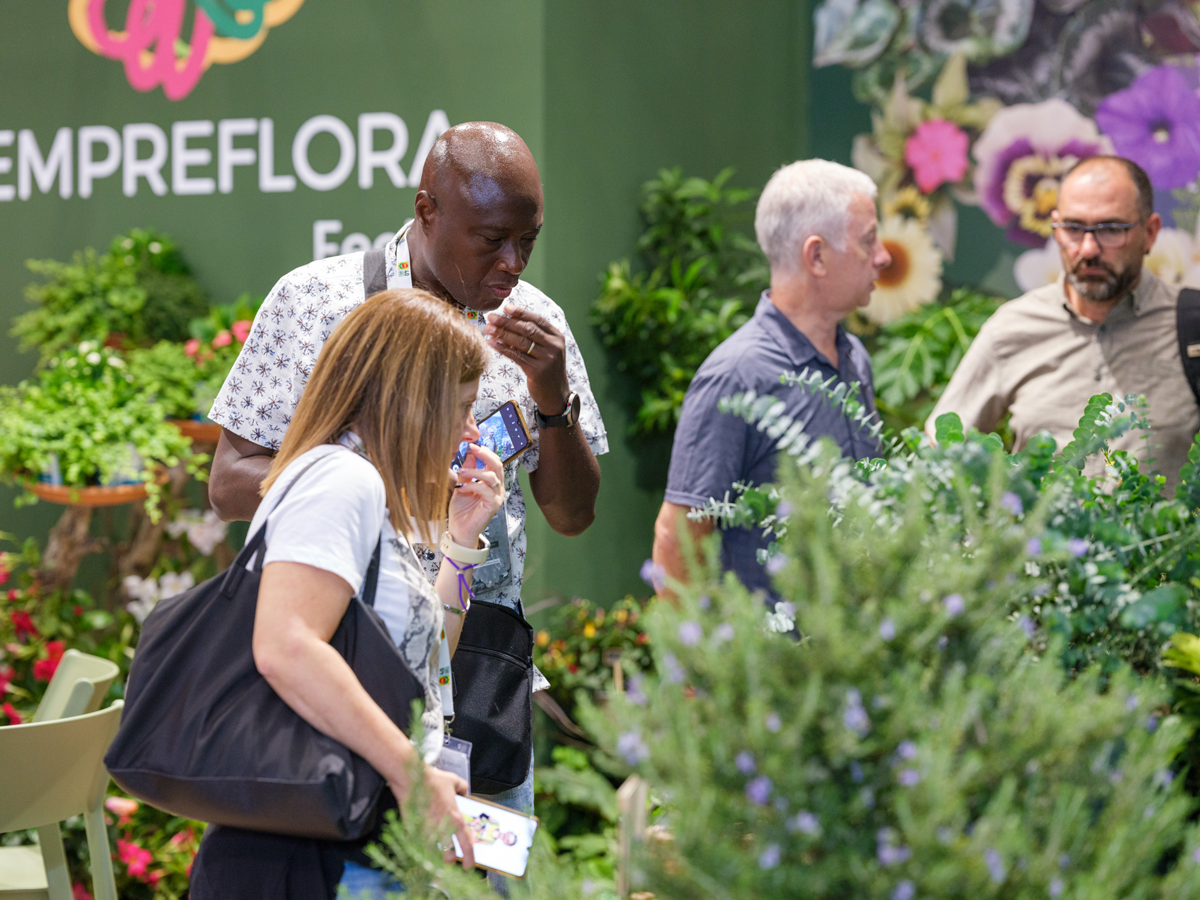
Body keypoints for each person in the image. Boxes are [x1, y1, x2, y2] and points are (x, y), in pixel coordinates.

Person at [205, 122, 608, 819]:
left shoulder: (537, 322)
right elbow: (230, 481)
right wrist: (376, 484)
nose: (513, 263)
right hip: (343, 654)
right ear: (427, 212)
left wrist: (553, 399)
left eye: (528, 241)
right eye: (491, 241)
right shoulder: (316, 303)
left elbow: (572, 516)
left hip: (480, 658)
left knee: (486, 877)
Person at [189, 289, 504, 899]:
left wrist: (461, 544)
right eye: (463, 406)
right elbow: (285, 646)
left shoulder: (360, 486)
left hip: (349, 840)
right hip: (317, 854)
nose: (470, 429)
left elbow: (421, 654)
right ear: (413, 399)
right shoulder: (341, 479)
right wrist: (413, 773)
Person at [652, 159, 891, 598]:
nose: (884, 256)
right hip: (774, 659)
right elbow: (678, 539)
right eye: (868, 240)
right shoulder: (735, 375)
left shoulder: (854, 357)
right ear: (816, 256)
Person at [929, 156, 1200, 491]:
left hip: (1165, 541)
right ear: (1055, 227)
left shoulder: (1191, 325)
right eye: (1073, 228)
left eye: (1111, 229)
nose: (1088, 249)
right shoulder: (1013, 329)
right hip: (1044, 543)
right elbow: (938, 455)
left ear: (1150, 233)